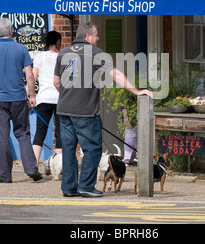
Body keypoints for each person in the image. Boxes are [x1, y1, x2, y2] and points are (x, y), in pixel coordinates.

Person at [54, 21, 153, 197]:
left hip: (63, 110)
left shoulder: (63, 53)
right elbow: (115, 75)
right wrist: (137, 91)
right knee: (92, 148)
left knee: (68, 149)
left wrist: (69, 96)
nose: (98, 38)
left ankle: (68, 188)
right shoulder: (95, 53)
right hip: (85, 111)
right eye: (96, 35)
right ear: (87, 36)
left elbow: (56, 82)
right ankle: (85, 186)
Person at [0, 18, 42, 183]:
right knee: (23, 134)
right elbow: (29, 75)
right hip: (18, 98)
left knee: (2, 137)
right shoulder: (21, 49)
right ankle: (31, 169)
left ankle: (5, 175)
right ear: (10, 31)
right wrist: (32, 96)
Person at [32, 31, 62, 166]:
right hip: (60, 98)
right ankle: (60, 166)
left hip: (43, 98)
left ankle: (34, 165)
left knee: (40, 131)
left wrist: (29, 95)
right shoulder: (63, 56)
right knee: (60, 132)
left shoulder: (40, 56)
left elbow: (32, 77)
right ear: (58, 41)